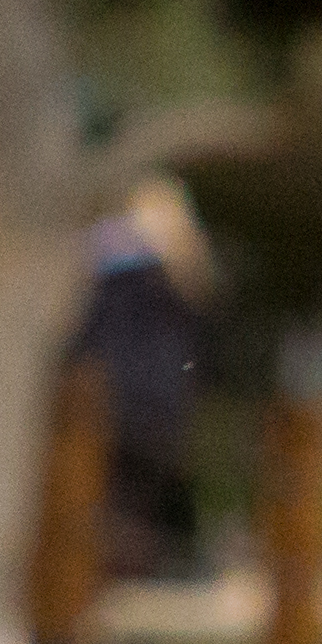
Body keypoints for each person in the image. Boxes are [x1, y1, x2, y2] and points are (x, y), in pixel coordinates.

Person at [69, 177, 213, 578]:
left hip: (109, 406)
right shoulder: (187, 269)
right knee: (134, 519)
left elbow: (85, 331)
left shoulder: (113, 259)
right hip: (163, 416)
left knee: (94, 518)